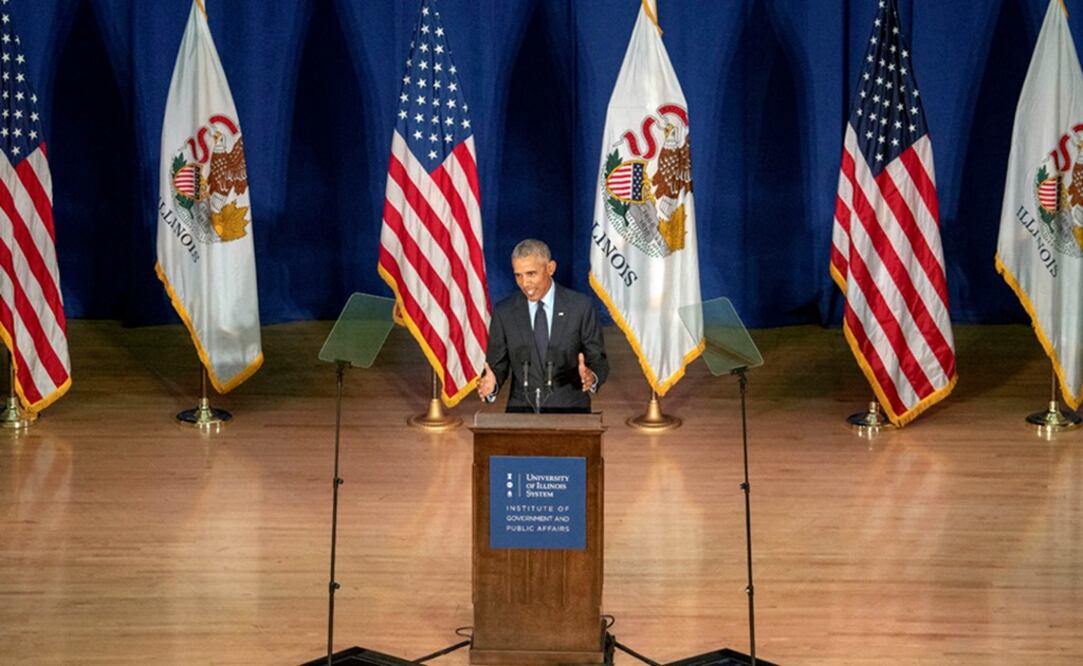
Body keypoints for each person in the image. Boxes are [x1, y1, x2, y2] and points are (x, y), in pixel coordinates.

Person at [478, 239, 609, 413]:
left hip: (570, 412)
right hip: (521, 414)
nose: (525, 283)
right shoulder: (505, 312)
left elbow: (598, 359)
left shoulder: (580, 307)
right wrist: (491, 385)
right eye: (518, 275)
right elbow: (496, 366)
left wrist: (591, 376)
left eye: (531, 274)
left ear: (550, 268)